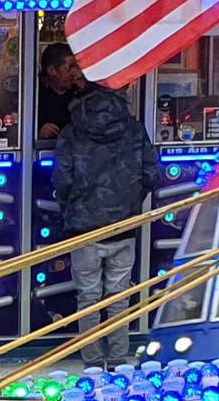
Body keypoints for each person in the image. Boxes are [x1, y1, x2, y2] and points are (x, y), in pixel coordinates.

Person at [52, 52, 154, 368]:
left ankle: (94, 364)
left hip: (84, 228)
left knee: (88, 298)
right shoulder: (134, 129)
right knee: (119, 298)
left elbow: (62, 180)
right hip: (123, 226)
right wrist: (131, 202)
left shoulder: (71, 133)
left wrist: (71, 207)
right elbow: (152, 175)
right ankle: (119, 360)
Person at [37, 46, 90, 143]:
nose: (74, 73)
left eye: (76, 67)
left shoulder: (80, 91)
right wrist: (37, 132)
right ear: (52, 70)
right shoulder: (33, 94)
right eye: (69, 68)